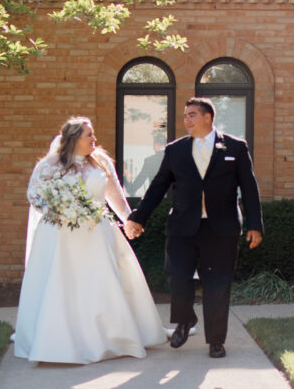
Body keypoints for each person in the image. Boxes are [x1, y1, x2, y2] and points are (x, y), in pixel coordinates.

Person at [13, 117, 168, 364]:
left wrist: (130, 220)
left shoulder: (101, 161)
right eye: (89, 136)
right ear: (74, 139)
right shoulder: (50, 164)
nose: (94, 140)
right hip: (60, 236)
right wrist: (57, 209)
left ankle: (111, 337)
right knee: (63, 284)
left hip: (98, 233)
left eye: (93, 135)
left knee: (101, 283)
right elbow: (34, 194)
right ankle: (59, 340)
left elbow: (114, 194)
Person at [125, 97, 263, 359]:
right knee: (177, 276)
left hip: (221, 228)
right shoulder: (175, 150)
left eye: (191, 115)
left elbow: (249, 188)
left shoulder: (235, 146)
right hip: (181, 227)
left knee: (218, 284)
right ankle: (185, 320)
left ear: (208, 117)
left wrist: (255, 225)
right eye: (186, 115)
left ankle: (216, 340)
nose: (186, 120)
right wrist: (138, 217)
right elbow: (158, 186)